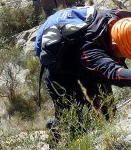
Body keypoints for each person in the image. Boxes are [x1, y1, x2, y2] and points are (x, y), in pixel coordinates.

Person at [35, 5, 131, 143]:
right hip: (61, 72)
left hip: (85, 60)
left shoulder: (120, 20)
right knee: (74, 122)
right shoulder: (91, 53)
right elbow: (114, 73)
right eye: (124, 55)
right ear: (114, 46)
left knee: (107, 111)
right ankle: (57, 141)